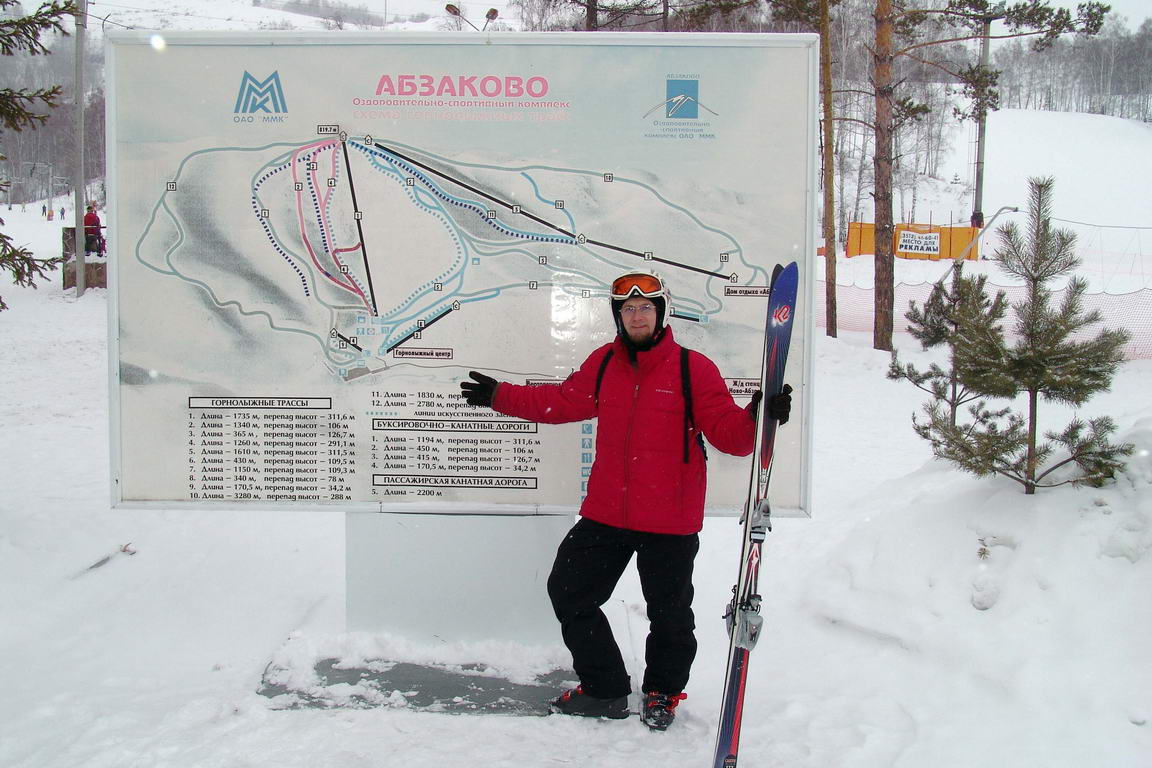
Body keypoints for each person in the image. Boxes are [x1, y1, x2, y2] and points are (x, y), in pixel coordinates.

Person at [460, 270, 791, 731]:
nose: (637, 316)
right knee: (569, 590)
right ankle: (606, 689)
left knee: (669, 616)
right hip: (608, 512)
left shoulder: (693, 369)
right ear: (619, 317)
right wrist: (500, 395)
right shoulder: (604, 364)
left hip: (670, 518)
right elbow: (558, 402)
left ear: (660, 314)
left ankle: (662, 694)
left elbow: (731, 438)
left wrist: (758, 415)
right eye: (628, 309)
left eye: (645, 308)